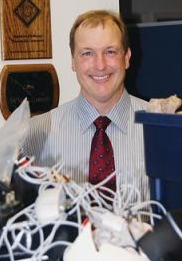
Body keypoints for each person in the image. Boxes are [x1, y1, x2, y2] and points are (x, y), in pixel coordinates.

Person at [22, 10, 149, 203]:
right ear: (73, 61)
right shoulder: (36, 133)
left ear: (127, 57)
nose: (100, 65)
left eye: (110, 52)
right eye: (87, 53)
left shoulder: (161, 127)